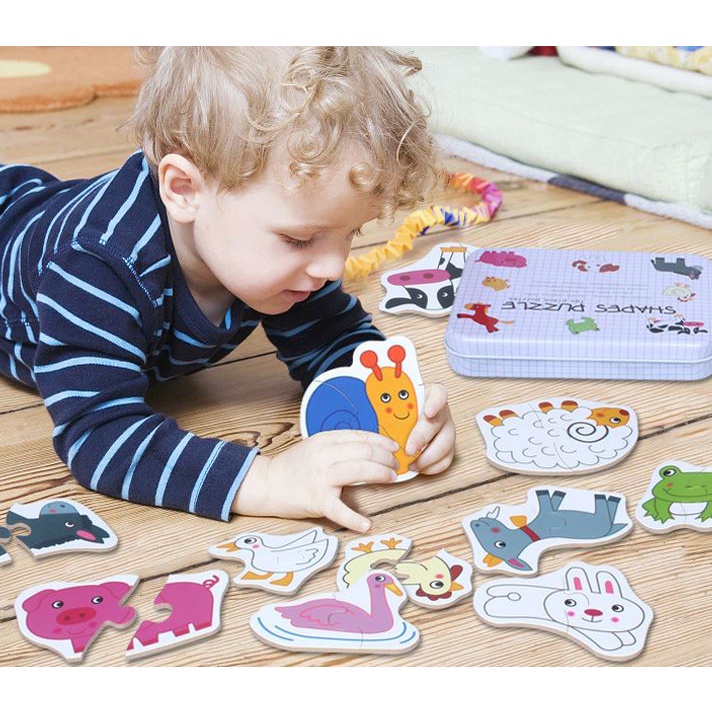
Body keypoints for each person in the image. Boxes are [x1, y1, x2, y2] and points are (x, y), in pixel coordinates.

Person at [0, 47, 455, 532]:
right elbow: (101, 435)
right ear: (184, 190)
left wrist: (401, 410)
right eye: (300, 239)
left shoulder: (274, 257)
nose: (332, 266)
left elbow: (335, 342)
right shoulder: (97, 268)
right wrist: (266, 479)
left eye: (350, 233)